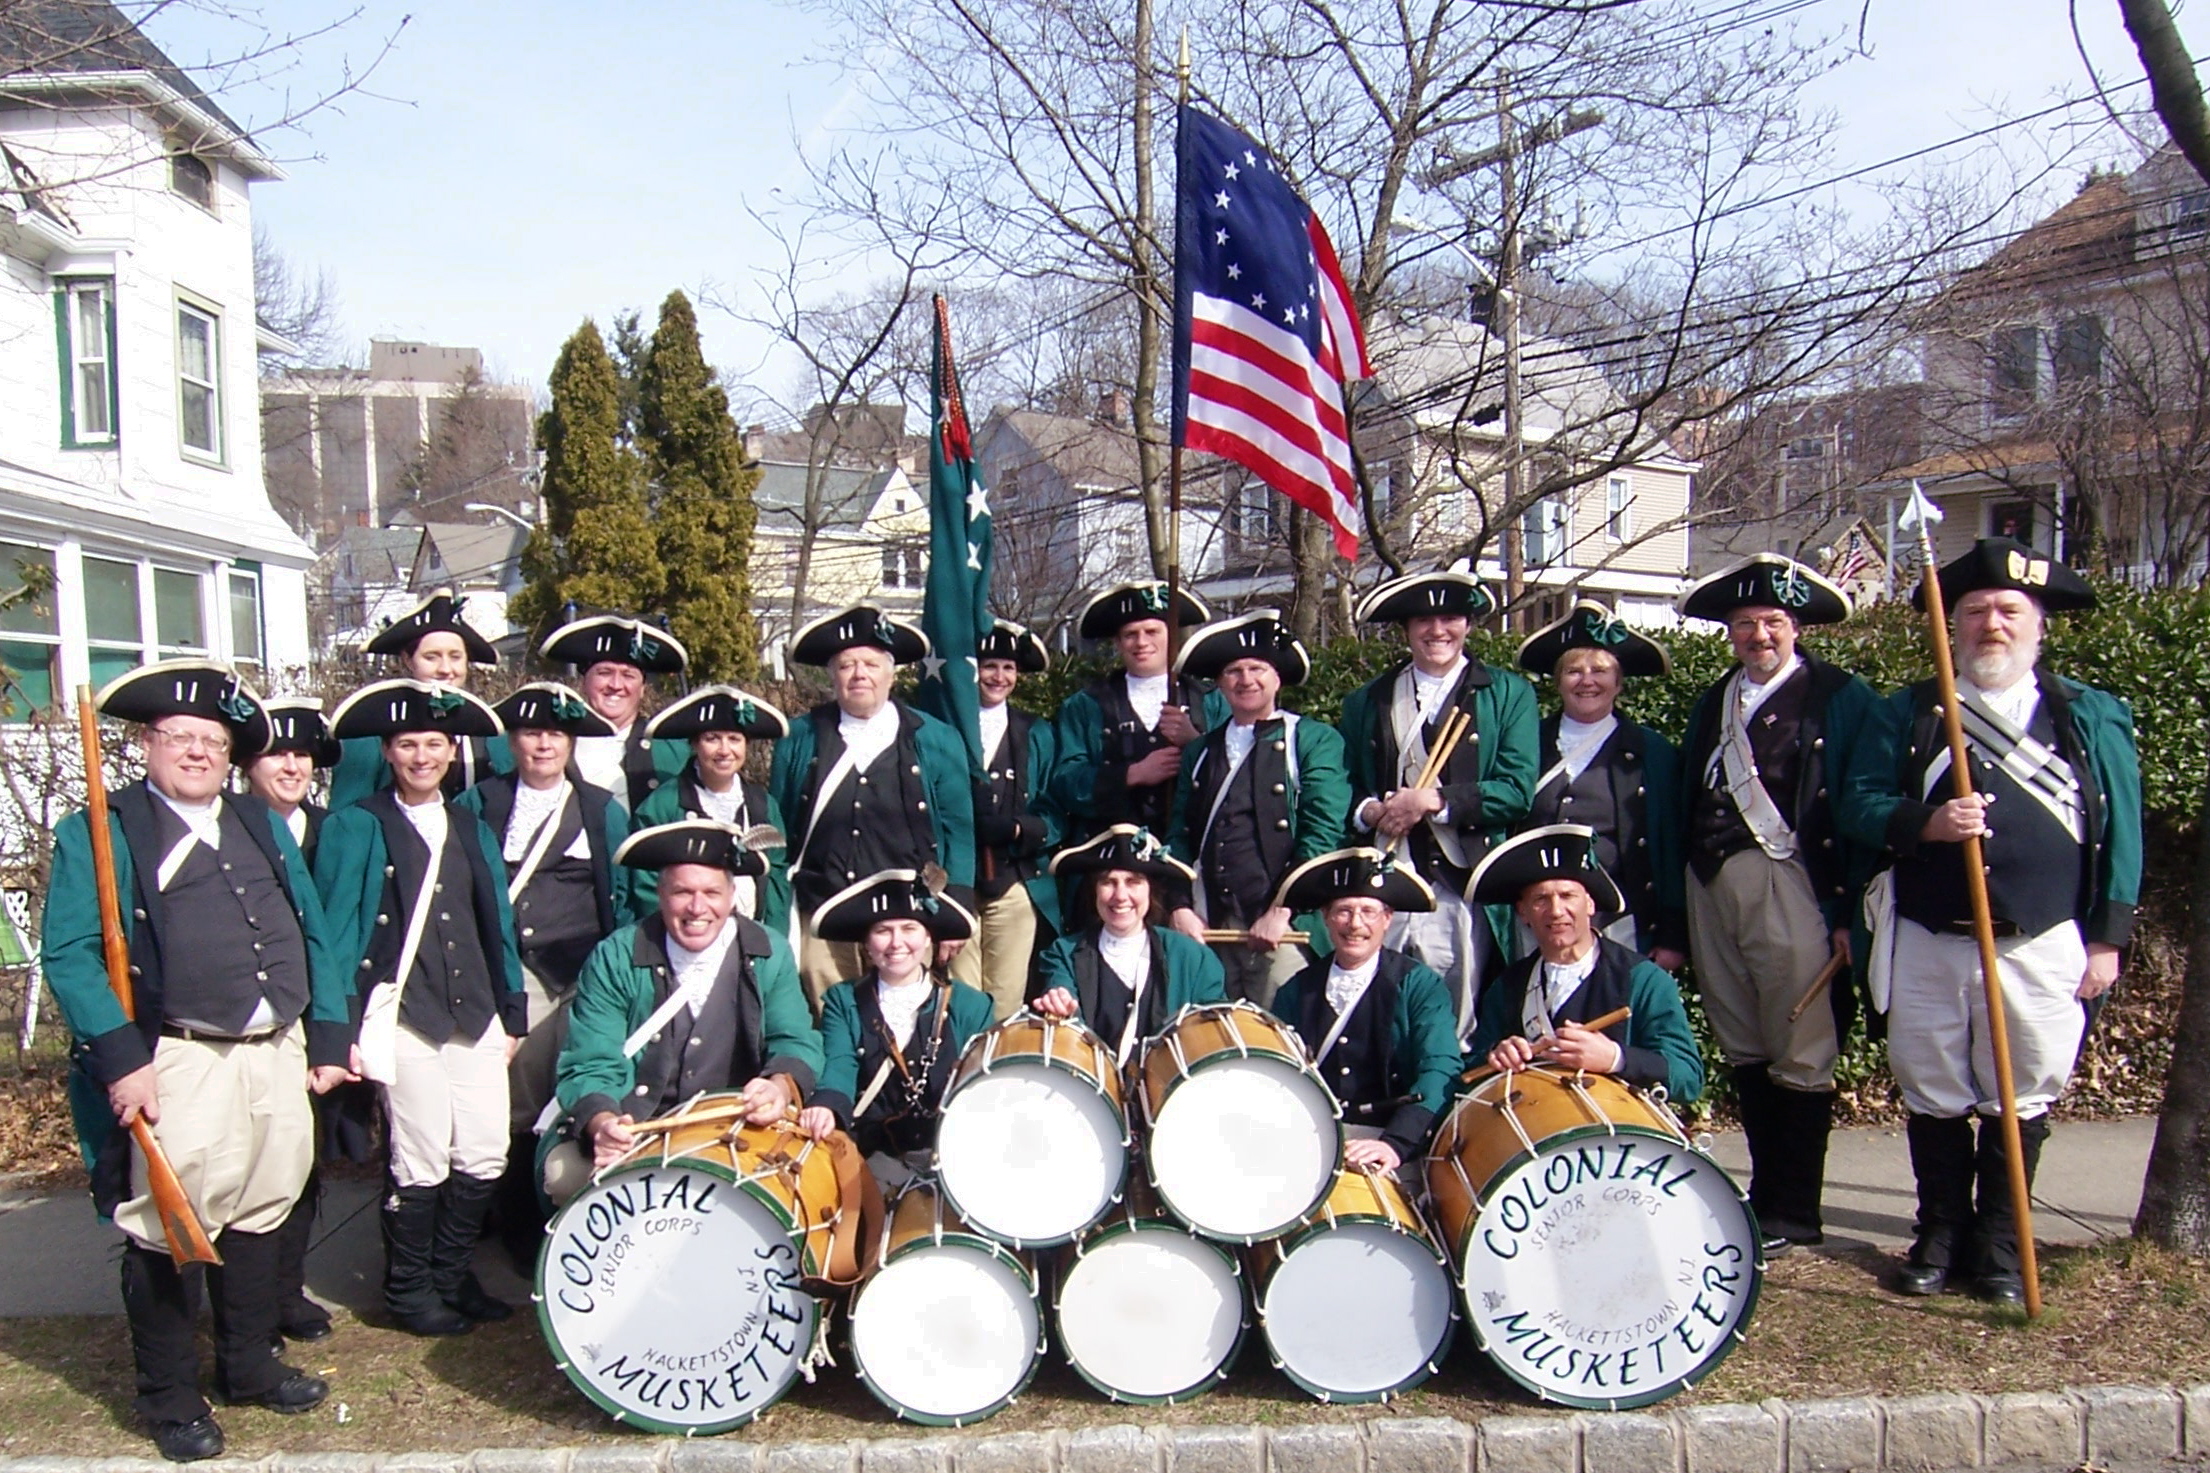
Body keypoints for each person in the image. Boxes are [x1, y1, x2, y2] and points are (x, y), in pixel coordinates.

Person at [42, 661, 352, 1461]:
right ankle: (171, 1397)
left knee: (262, 1207)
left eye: (212, 741)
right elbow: (72, 956)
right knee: (167, 1227)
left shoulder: (256, 819)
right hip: (178, 1056)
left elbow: (308, 925)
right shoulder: (102, 832)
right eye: (180, 737)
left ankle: (248, 1363)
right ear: (148, 743)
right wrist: (121, 1059)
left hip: (275, 1050)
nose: (196, 752)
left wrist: (324, 1036)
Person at [1840, 539, 2140, 1303]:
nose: (1991, 627)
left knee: (2023, 1090)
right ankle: (1940, 1233)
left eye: (2009, 611)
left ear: (2039, 625)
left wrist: (2107, 935)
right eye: (1974, 612)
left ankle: (2003, 1243)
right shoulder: (1907, 711)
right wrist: (1927, 822)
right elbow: (1859, 804)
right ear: (1951, 627)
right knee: (1933, 1084)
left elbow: (2122, 829)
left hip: (2039, 939)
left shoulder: (2087, 715)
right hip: (1930, 935)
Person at [1677, 553, 1879, 1252]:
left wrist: (1849, 911)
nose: (1759, 634)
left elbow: (1858, 801)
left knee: (1801, 1041)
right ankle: (1764, 1199)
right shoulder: (1718, 699)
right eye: (1744, 623)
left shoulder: (1839, 697)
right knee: (1745, 1040)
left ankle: (1796, 1206)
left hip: (1789, 881)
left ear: (1796, 626)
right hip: (1710, 883)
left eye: (1772, 621)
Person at [317, 679, 527, 1337]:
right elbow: (335, 931)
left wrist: (512, 1008)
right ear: (387, 749)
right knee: (421, 1155)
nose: (421, 755)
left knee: (486, 1151)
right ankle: (410, 1289)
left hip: (476, 1013)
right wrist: (338, 1026)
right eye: (408, 743)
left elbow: (494, 917)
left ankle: (452, 1272)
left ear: (449, 748)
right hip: (402, 1015)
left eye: (433, 742)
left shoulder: (467, 821)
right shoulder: (357, 823)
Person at [544, 819, 821, 1203]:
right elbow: (590, 1062)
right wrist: (603, 1124)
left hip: (735, 1126)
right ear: (660, 895)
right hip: (637, 1125)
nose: (697, 907)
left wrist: (777, 1086)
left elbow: (795, 1039)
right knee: (563, 1176)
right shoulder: (617, 956)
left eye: (711, 892)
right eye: (682, 892)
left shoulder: (768, 951)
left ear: (731, 896)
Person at [457, 682, 636, 1257]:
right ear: (512, 740)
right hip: (517, 973)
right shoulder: (479, 804)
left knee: (581, 1094)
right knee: (514, 1100)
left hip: (585, 976)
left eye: (555, 734)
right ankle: (514, 1229)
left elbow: (625, 894)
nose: (543, 745)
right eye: (532, 733)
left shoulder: (600, 809)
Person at [1336, 570, 1539, 1036]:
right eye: (1424, 621)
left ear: (1468, 625)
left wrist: (1433, 801)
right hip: (1387, 877)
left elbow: (1515, 789)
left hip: (1461, 879)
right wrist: (1371, 811)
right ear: (1406, 630)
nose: (1437, 631)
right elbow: (1346, 782)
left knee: (1455, 1018)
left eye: (1450, 618)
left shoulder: (1507, 694)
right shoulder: (1368, 699)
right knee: (1380, 1012)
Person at [769, 605, 976, 1007]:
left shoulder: (936, 738)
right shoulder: (797, 737)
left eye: (870, 663)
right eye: (846, 665)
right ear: (831, 675)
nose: (858, 674)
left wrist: (958, 911)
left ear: (891, 672)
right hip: (824, 913)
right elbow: (780, 825)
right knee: (830, 1019)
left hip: (909, 917)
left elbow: (958, 828)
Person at [1165, 609, 1350, 1008]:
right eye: (1233, 670)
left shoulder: (1313, 740)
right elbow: (1179, 835)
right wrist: (1180, 907)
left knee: (1284, 1039)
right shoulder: (1201, 751)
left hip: (1283, 925)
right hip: (1210, 921)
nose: (1245, 679)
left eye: (1257, 668)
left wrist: (1282, 910)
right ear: (1219, 683)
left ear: (1277, 677)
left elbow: (1322, 833)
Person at [236, 697, 348, 1350]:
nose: (291, 764)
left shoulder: (334, 829)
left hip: (318, 1016)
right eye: (277, 751)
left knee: (303, 1160)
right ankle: (245, 1300)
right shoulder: (233, 830)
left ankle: (287, 1287)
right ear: (249, 762)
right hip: (253, 1016)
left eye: (302, 753)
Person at [1469, 824, 1704, 1105]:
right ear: (1523, 912)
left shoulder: (1643, 980)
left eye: (1568, 896)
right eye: (1541, 899)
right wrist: (1496, 1054)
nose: (1556, 911)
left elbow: (1688, 1078)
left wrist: (1616, 1058)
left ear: (1590, 904)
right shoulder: (1507, 987)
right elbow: (1473, 1068)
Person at [1267, 848, 1464, 1173]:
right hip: (1309, 1140)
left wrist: (1395, 1144)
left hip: (1393, 1143)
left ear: (1387, 919)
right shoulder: (1296, 990)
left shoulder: (1419, 985)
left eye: (1368, 912)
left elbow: (1440, 1068)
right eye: (1343, 911)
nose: (1355, 924)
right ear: (1326, 917)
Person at [1514, 600, 1687, 968]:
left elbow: (1670, 845)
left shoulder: (1651, 751)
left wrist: (1672, 933)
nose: (1587, 680)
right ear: (1558, 681)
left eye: (1601, 670)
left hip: (1619, 919)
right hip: (1535, 919)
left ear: (1619, 682)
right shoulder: (1526, 741)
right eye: (1574, 671)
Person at [798, 870, 994, 1190]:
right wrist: (826, 1105)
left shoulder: (972, 1006)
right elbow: (839, 1066)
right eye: (882, 930)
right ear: (866, 942)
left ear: (928, 936)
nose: (896, 942)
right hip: (871, 1160)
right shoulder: (842, 1000)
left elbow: (985, 1091)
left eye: (909, 928)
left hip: (954, 1158)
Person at [1033, 824, 1227, 1065]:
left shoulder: (1195, 958)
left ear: (1150, 891)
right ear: (1094, 891)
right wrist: (1059, 1002)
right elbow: (1060, 993)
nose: (1120, 895)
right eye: (1108, 882)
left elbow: (1213, 1040)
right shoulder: (1063, 953)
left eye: (1133, 881)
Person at [1050, 581, 1223, 844]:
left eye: (1152, 631)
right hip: (1108, 857)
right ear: (1118, 642)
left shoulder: (1212, 700)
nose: (1141, 642)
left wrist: (1194, 744)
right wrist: (1133, 774)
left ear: (1171, 636)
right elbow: (1065, 782)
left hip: (1189, 854)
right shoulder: (1084, 706)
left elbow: (1238, 776)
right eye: (1130, 634)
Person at [950, 620, 1062, 1020]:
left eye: (1008, 668)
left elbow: (1055, 802)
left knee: (1006, 998)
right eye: (989, 665)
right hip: (954, 881)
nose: (999, 677)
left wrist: (1020, 829)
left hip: (1014, 880)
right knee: (959, 995)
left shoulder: (1036, 732)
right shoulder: (942, 727)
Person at [327, 589, 511, 808]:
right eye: (431, 657)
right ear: (408, 660)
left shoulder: (493, 734)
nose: (445, 669)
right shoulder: (369, 736)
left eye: (455, 657)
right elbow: (346, 819)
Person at [632, 683, 793, 928]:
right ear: (694, 745)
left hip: (750, 935)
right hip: (685, 933)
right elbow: (647, 884)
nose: (724, 750)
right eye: (712, 739)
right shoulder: (662, 805)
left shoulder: (763, 804)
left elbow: (776, 877)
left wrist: (771, 940)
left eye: (734, 739)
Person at [538, 611, 691, 813]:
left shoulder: (675, 752)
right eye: (604, 673)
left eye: (628, 675)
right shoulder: (546, 744)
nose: (616, 685)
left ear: (643, 688)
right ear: (584, 681)